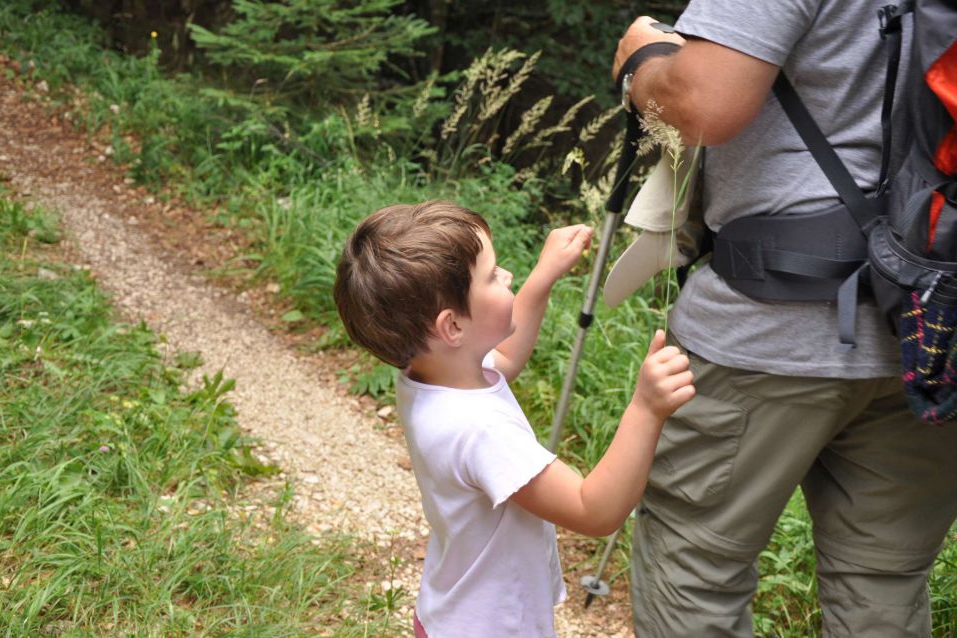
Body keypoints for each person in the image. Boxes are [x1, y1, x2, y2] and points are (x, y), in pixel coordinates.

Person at [612, 3, 957, 636]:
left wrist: (642, 62)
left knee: (696, 569)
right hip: (934, 327)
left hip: (764, 324)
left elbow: (703, 104)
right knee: (883, 581)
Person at [333, 200, 695, 638]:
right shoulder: (480, 430)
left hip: (452, 613)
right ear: (451, 328)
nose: (507, 276)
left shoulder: (429, 374)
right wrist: (646, 408)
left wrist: (542, 278)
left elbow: (502, 357)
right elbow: (593, 510)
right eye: (492, 275)